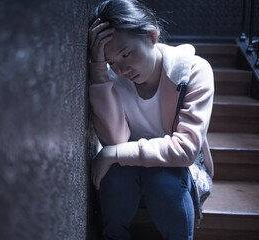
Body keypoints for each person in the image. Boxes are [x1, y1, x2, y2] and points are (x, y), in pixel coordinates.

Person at [88, 0, 214, 239]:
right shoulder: (113, 78)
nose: (123, 68)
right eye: (112, 61)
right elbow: (115, 139)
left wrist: (114, 153)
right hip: (130, 170)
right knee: (115, 176)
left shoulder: (194, 71)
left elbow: (185, 151)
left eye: (126, 53)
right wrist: (99, 69)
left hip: (178, 171)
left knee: (162, 179)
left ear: (152, 36)